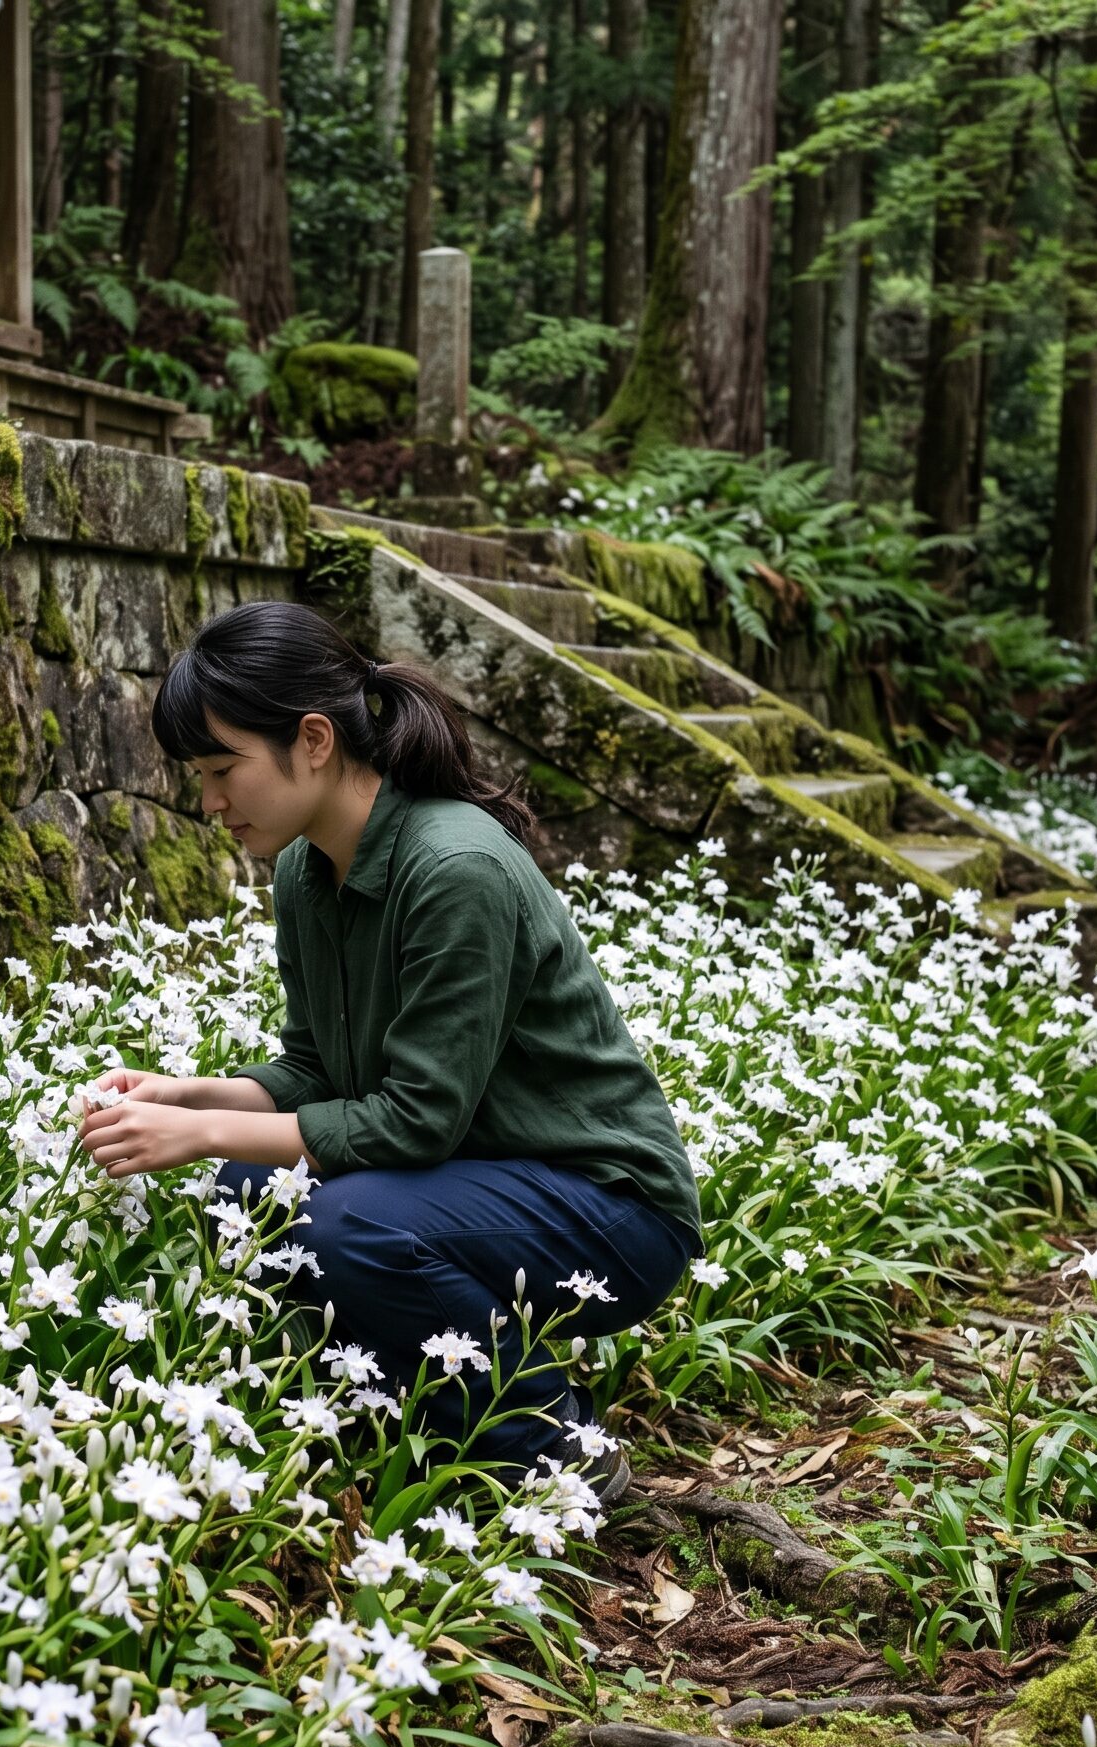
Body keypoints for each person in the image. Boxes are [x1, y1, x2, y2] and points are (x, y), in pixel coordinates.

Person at [73, 598, 704, 1499]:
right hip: (482, 1174)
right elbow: (317, 1075)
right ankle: (388, 1407)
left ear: (316, 740)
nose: (208, 803)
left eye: (223, 768)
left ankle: (555, 1447)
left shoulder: (455, 868)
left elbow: (415, 1124)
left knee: (339, 1225)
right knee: (251, 1194)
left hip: (611, 1208)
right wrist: (186, 1096)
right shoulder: (305, 867)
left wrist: (206, 1132)